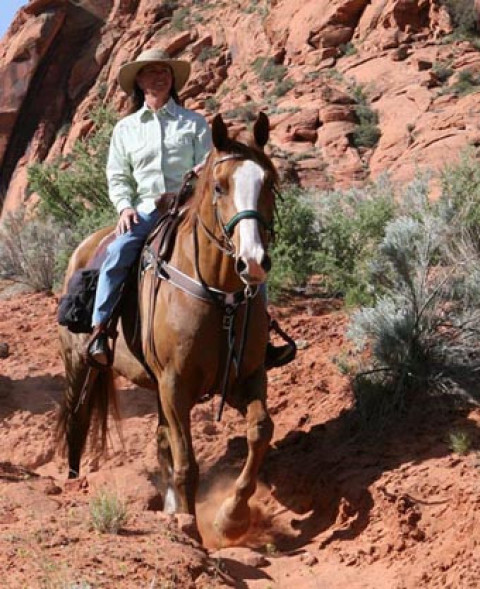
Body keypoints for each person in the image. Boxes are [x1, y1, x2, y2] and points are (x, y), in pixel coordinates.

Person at [88, 47, 295, 369]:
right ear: (139, 81)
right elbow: (117, 174)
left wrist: (201, 172)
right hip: (145, 208)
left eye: (165, 71)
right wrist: (124, 207)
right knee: (119, 251)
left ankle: (261, 337)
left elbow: (210, 163)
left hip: (188, 206)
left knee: (245, 253)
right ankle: (101, 328)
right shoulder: (125, 129)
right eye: (152, 71)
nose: (160, 76)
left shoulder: (193, 122)